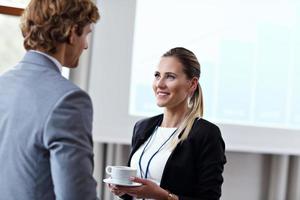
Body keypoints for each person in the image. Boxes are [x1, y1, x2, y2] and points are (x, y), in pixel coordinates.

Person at [0, 0, 100, 199]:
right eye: (86, 34)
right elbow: (76, 195)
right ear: (72, 33)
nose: (86, 46)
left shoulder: (3, 83)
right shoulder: (69, 99)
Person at [108, 47, 226, 200]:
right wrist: (123, 190)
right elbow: (136, 189)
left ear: (192, 84)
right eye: (157, 75)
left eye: (170, 77)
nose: (160, 84)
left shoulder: (206, 133)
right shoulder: (142, 127)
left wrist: (164, 196)